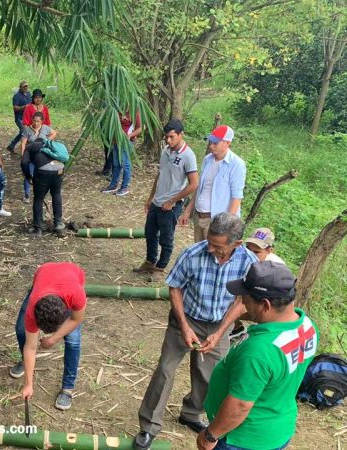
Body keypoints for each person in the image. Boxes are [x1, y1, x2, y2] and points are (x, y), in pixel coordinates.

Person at [133, 213, 258, 450]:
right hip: (186, 318)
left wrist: (221, 331)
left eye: (218, 246)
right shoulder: (193, 253)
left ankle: (192, 413)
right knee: (165, 370)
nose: (210, 248)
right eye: (209, 241)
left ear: (236, 244)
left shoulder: (249, 262)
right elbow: (175, 288)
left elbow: (243, 300)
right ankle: (149, 426)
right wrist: (184, 325)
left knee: (210, 375)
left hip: (220, 324)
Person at [198, 261, 317, 450]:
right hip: (276, 426)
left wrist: (211, 435)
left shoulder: (259, 351)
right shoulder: (306, 325)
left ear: (265, 304)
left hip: (242, 438)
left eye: (246, 299)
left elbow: (240, 405)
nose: (242, 302)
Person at [9, 262, 86, 410]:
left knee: (72, 340)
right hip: (43, 277)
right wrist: (28, 385)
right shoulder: (33, 307)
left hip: (71, 276)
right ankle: (26, 364)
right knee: (21, 330)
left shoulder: (76, 294)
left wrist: (53, 338)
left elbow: (76, 319)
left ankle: (67, 388)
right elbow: (31, 347)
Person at [134, 120, 199, 276]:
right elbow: (160, 174)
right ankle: (150, 261)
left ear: (181, 134)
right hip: (158, 201)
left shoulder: (188, 156)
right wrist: (150, 198)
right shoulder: (165, 151)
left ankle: (161, 266)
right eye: (166, 138)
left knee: (166, 237)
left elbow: (194, 184)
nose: (168, 141)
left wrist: (172, 201)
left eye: (172, 137)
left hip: (171, 205)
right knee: (149, 232)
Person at [180, 126, 247, 242]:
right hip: (199, 216)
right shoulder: (207, 160)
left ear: (227, 143)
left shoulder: (236, 164)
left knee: (214, 254)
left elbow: (236, 198)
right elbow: (200, 188)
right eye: (211, 142)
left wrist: (226, 226)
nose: (211, 146)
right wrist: (187, 211)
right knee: (200, 252)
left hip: (217, 221)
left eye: (215, 143)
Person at [21, 138, 65, 237]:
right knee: (56, 194)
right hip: (59, 169)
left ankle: (38, 229)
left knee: (38, 198)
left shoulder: (30, 147)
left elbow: (24, 163)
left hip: (43, 172)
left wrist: (28, 176)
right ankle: (58, 224)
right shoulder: (53, 145)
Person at [100, 110, 142, 196]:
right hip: (116, 141)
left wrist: (129, 136)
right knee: (116, 164)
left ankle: (124, 187)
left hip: (126, 142)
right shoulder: (116, 109)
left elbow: (140, 128)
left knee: (125, 163)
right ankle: (113, 185)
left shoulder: (134, 111)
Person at [18, 112, 57, 202]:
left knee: (43, 174)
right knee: (28, 173)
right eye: (34, 121)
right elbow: (23, 144)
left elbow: (54, 133)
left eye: (38, 121)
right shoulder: (27, 130)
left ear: (41, 121)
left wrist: (47, 141)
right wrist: (23, 155)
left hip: (42, 156)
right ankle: (27, 195)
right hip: (31, 154)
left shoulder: (45, 128)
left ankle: (42, 194)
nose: (36, 123)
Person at [5, 80, 31, 153]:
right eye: (24, 86)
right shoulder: (16, 96)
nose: (26, 88)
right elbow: (15, 108)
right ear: (20, 87)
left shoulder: (29, 94)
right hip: (19, 118)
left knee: (23, 132)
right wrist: (24, 107)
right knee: (24, 132)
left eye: (27, 86)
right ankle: (24, 149)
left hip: (27, 118)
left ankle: (11, 146)